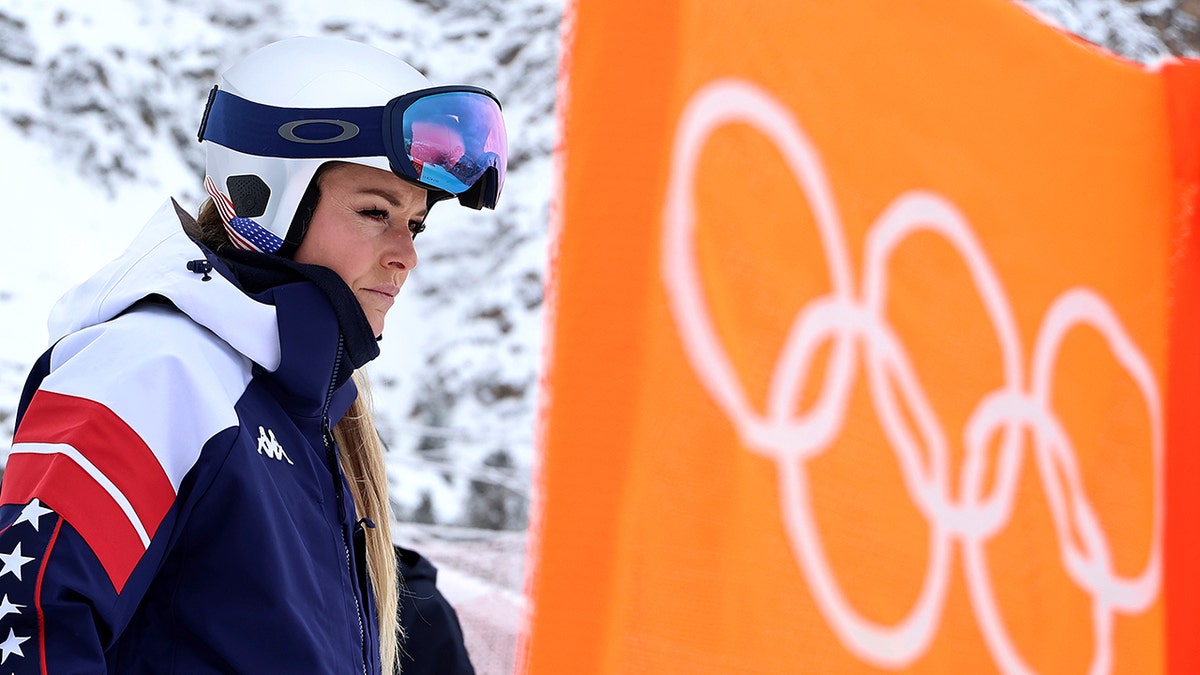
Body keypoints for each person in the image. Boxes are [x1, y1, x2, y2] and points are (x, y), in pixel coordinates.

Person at [0, 35, 506, 673]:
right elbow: (32, 622)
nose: (406, 255)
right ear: (265, 194)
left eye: (415, 224)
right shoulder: (155, 373)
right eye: (375, 212)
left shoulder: (305, 417)